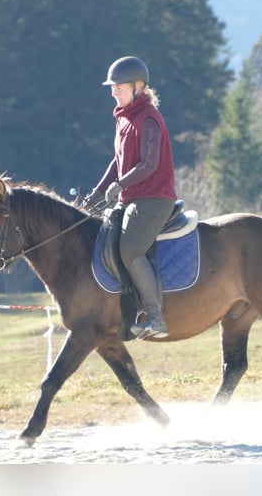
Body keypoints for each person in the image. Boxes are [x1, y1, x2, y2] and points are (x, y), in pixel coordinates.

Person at [84, 56, 178, 340]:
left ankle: (156, 318)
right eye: (112, 87)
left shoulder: (148, 119)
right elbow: (119, 160)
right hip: (132, 197)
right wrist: (98, 192)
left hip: (154, 198)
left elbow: (148, 164)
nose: (113, 91)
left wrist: (119, 185)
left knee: (130, 251)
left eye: (119, 87)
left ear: (139, 87)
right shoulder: (124, 119)